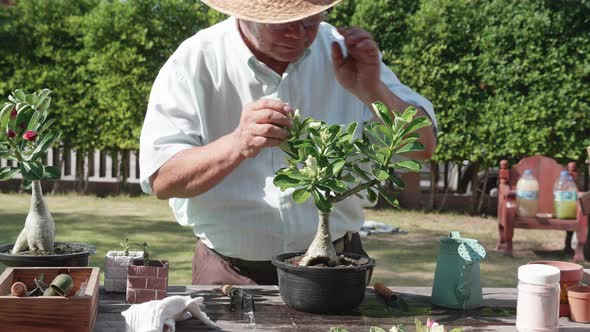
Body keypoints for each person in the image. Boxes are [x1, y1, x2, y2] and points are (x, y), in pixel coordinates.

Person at [139, 0, 438, 285]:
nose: (297, 34)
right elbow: (163, 179)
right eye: (281, 22)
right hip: (228, 274)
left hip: (336, 269)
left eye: (309, 20)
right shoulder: (196, 60)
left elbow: (421, 147)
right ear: (246, 12)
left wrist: (373, 90)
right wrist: (237, 144)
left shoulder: (343, 51)